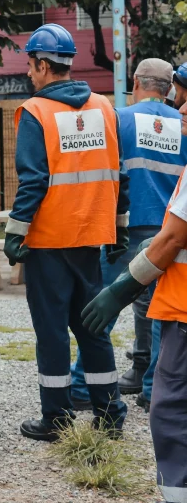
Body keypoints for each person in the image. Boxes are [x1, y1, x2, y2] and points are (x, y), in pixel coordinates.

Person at [4, 23, 129, 441]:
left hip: (49, 242)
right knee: (93, 326)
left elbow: (34, 181)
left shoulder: (36, 112)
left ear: (43, 65)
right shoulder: (105, 107)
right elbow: (118, 173)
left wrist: (15, 233)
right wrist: (119, 228)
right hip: (90, 237)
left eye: (31, 65)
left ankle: (55, 418)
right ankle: (109, 413)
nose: (29, 74)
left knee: (53, 331)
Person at [81, 117, 187, 503]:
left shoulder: (120, 119)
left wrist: (122, 288)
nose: (184, 108)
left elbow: (174, 237)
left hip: (184, 310)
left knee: (171, 412)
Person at [70, 59, 185, 411]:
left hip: (123, 225)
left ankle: (81, 386)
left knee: (103, 303)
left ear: (135, 82)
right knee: (158, 311)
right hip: (169, 230)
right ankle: (152, 388)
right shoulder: (181, 124)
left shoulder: (118, 118)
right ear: (169, 90)